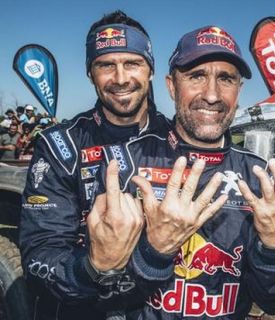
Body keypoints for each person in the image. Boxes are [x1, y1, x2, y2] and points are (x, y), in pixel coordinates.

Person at [86, 25, 275, 319]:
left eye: (225, 78)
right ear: (171, 86)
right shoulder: (123, 163)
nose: (212, 95)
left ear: (239, 90)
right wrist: (155, 251)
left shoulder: (259, 176)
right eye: (196, 76)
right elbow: (95, 297)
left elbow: (274, 302)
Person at [19, 10, 169, 320]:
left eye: (132, 63)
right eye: (105, 65)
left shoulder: (177, 139)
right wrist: (94, 266)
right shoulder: (59, 144)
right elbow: (38, 256)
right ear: (90, 73)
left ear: (150, 70)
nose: (121, 78)